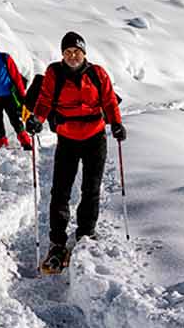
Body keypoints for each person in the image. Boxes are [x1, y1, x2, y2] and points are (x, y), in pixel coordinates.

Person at [27, 31, 125, 271]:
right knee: (60, 190)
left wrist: (117, 123)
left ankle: (85, 234)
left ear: (84, 53)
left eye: (76, 52)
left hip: (95, 137)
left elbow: (110, 101)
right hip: (67, 138)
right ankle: (57, 242)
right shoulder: (54, 73)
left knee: (91, 188)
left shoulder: (97, 74)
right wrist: (37, 119)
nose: (72, 55)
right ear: (62, 55)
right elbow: (45, 100)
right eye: (68, 52)